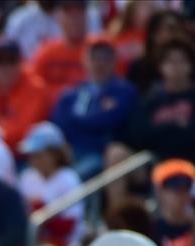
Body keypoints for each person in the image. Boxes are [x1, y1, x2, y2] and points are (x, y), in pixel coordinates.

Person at [48, 35, 136, 178]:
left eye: (106, 58)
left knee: (75, 177)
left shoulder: (124, 90)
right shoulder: (72, 93)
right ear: (84, 60)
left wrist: (78, 120)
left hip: (101, 154)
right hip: (70, 153)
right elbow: (58, 125)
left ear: (114, 61)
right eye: (94, 58)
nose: (100, 63)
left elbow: (110, 120)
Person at [0, 38, 50, 153]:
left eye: (11, 61)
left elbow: (24, 131)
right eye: (0, 61)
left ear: (21, 62)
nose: (6, 67)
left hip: (23, 157)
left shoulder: (37, 90)